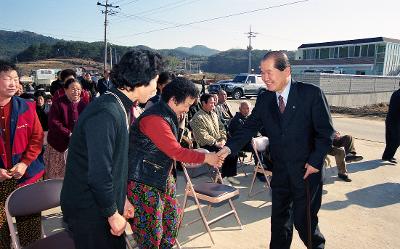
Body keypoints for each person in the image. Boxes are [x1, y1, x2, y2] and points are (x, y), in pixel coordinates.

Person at [219, 51, 334, 249]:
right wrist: (229, 148)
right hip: (280, 171)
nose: (264, 78)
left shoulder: (310, 94)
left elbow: (326, 133)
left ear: (286, 71)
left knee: (304, 222)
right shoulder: (265, 99)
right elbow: (248, 127)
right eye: (262, 72)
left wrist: (315, 162)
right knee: (279, 223)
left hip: (306, 172)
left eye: (269, 72)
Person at [60, 49, 163, 249]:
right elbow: (99, 173)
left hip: (103, 203)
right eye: (154, 82)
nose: (156, 89)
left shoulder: (119, 105)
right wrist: (112, 212)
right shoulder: (106, 112)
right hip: (88, 208)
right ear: (139, 79)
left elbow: (116, 163)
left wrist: (121, 199)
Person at [127, 77, 222, 248]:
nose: (187, 109)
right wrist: (208, 157)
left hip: (161, 176)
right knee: (151, 232)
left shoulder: (168, 114)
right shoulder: (155, 119)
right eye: (186, 105)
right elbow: (176, 151)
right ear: (172, 100)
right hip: (144, 181)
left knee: (171, 220)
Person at [0, 60, 45, 248]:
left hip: (25, 176)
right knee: (1, 228)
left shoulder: (27, 107)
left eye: (16, 79)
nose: (13, 83)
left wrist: (25, 162)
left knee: (30, 227)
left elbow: (37, 138)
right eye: (7, 78)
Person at [190, 93, 240, 185]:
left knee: (233, 150)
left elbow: (221, 128)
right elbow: (203, 135)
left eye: (214, 103)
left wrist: (223, 139)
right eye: (211, 103)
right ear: (203, 103)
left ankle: (230, 175)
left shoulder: (214, 114)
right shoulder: (197, 117)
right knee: (224, 153)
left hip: (219, 142)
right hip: (206, 145)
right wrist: (216, 143)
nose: (213, 105)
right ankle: (222, 178)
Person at [44, 78, 87, 179]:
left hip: (77, 145)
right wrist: (68, 133)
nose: (76, 92)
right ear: (66, 89)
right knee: (57, 175)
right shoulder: (58, 103)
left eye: (78, 89)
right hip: (59, 145)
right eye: (73, 89)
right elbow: (53, 122)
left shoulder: (84, 104)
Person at [382, 84, 400, 164]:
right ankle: (388, 156)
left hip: (390, 119)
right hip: (396, 121)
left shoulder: (395, 93)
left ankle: (386, 156)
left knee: (390, 139)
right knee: (396, 140)